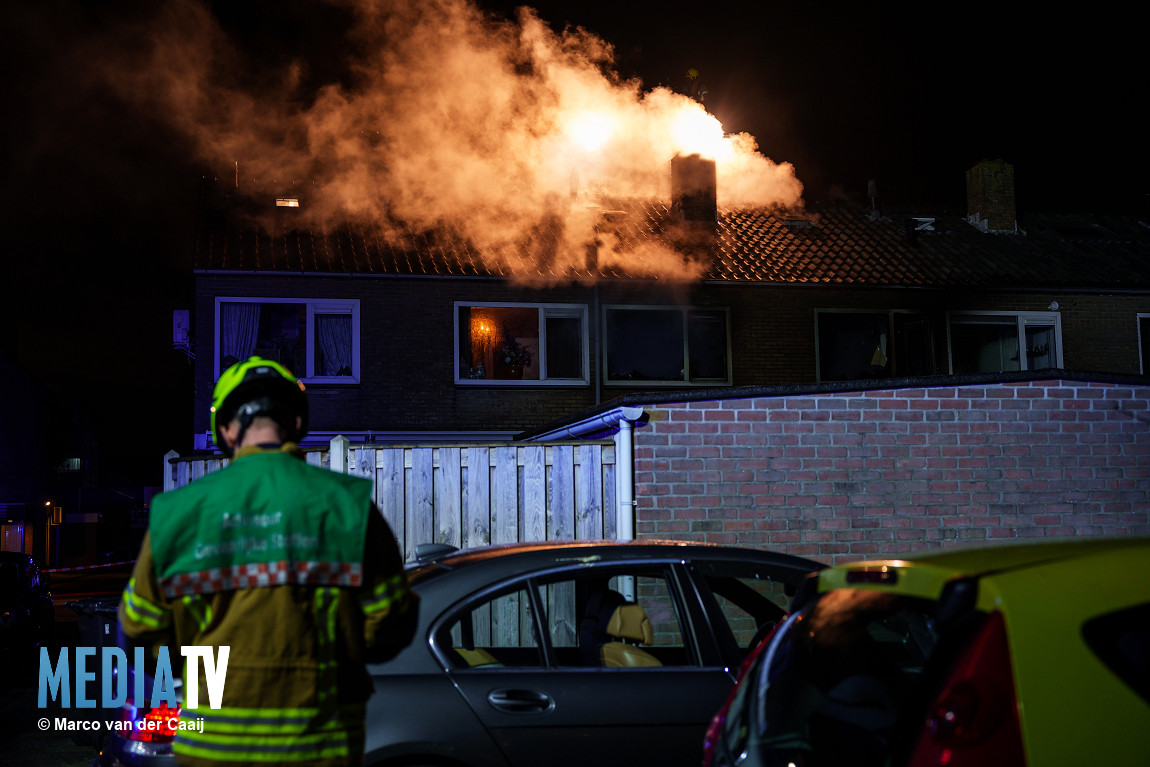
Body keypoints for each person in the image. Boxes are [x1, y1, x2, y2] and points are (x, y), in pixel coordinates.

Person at [118, 356, 417, 767]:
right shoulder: (348, 505)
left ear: (224, 429)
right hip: (321, 748)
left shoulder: (176, 512)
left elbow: (138, 630)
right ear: (296, 423)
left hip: (210, 752)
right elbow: (391, 628)